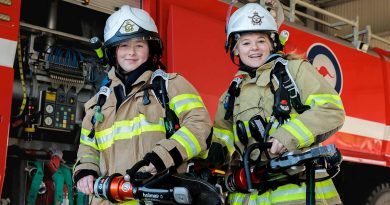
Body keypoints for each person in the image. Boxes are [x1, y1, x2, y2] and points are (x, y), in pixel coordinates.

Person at [72, 5, 212, 204]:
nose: (131, 53)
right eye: (124, 46)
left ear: (151, 49)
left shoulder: (170, 85)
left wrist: (163, 156)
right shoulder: (98, 103)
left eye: (139, 45)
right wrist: (85, 170)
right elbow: (88, 147)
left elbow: (200, 127)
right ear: (113, 52)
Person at [211, 2, 345, 205]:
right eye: (246, 43)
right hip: (249, 195)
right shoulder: (232, 93)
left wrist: (288, 135)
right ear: (235, 49)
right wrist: (209, 159)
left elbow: (331, 110)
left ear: (273, 43)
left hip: (298, 191)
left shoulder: (295, 70)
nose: (254, 48)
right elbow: (223, 136)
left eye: (261, 41)